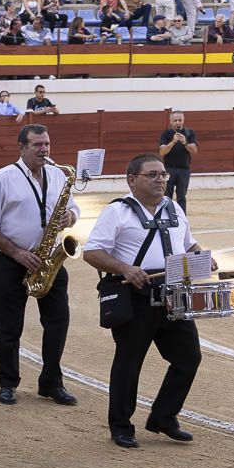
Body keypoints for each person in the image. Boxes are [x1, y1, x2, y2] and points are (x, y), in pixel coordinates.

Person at [83, 153, 210, 449]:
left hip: (173, 294)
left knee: (188, 357)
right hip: (135, 294)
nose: (160, 180)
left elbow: (188, 243)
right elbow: (93, 252)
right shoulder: (117, 211)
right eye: (151, 175)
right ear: (131, 179)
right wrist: (126, 268)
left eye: (163, 175)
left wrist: (201, 256)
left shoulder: (174, 207)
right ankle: (121, 426)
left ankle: (163, 417)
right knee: (129, 361)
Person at [0, 124, 79, 407]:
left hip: (50, 259)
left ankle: (51, 382)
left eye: (46, 144)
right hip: (11, 261)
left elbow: (74, 208)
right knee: (9, 326)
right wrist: (17, 252)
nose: (44, 150)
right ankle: (8, 383)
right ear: (22, 147)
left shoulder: (58, 175)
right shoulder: (3, 178)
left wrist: (69, 216)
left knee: (58, 322)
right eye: (37, 145)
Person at [158, 110, 197, 212]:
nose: (178, 122)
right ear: (171, 122)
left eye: (180, 120)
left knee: (181, 196)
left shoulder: (189, 133)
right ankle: (166, 216)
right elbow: (162, 152)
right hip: (168, 169)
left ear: (183, 121)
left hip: (184, 169)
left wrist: (185, 143)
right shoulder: (166, 134)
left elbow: (194, 151)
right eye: (175, 120)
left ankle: (182, 218)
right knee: (167, 196)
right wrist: (173, 142)